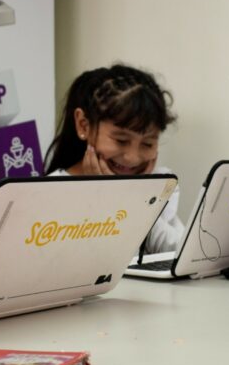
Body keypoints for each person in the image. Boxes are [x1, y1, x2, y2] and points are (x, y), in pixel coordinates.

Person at [44, 64, 183, 254]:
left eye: (147, 143)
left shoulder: (159, 186)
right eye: (121, 140)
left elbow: (182, 253)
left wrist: (129, 200)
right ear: (83, 125)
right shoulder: (48, 195)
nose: (132, 158)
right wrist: (105, 197)